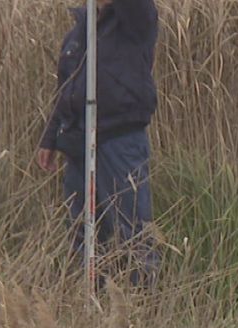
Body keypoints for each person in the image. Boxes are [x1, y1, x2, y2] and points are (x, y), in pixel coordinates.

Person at [36, 0, 159, 286]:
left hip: (121, 141)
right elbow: (66, 90)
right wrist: (50, 137)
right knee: (85, 232)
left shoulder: (135, 20)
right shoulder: (79, 33)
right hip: (79, 143)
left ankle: (143, 307)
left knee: (133, 230)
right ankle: (94, 302)